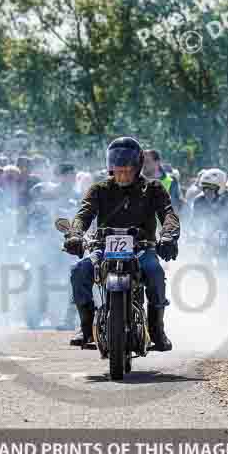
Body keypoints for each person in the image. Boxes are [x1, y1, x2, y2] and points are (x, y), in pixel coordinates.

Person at [65, 137, 180, 350]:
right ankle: (86, 326)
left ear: (137, 169)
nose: (122, 175)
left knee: (155, 273)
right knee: (79, 271)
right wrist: (75, 234)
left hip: (142, 249)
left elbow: (168, 214)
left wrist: (168, 236)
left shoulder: (153, 188)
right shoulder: (99, 189)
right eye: (118, 171)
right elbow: (83, 214)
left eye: (126, 171)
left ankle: (157, 329)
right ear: (111, 169)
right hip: (102, 248)